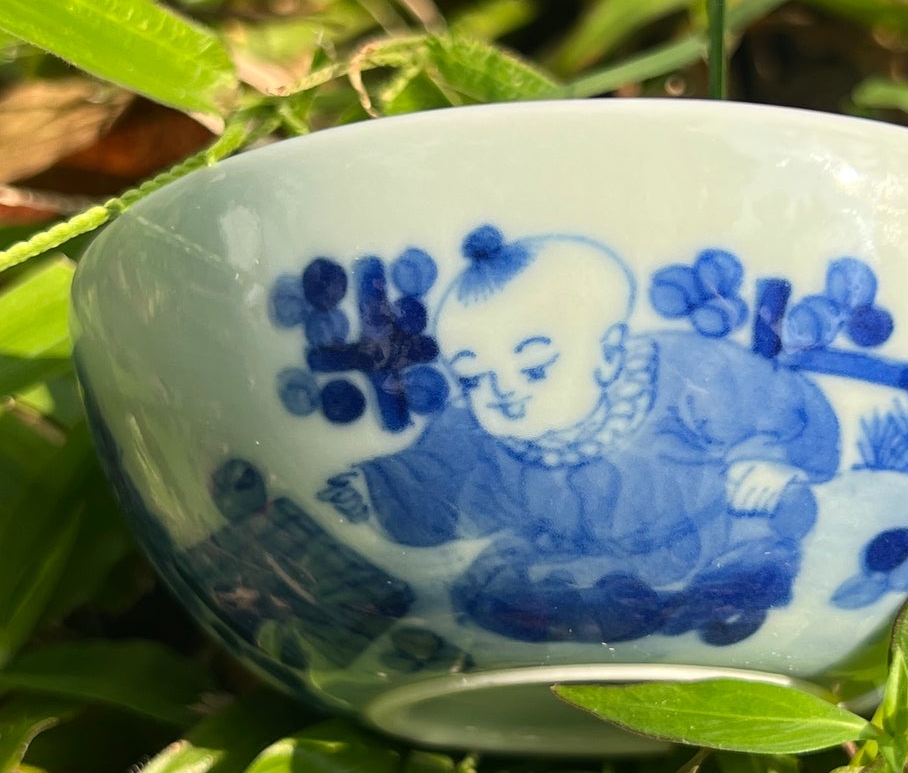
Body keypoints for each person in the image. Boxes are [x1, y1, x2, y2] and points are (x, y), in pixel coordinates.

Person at [320, 225, 841, 648]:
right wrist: (376, 488)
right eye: (475, 377)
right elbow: (438, 476)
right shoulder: (481, 435)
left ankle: (722, 601)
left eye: (536, 368)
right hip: (582, 560)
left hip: (707, 530)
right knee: (500, 589)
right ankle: (601, 620)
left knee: (759, 545)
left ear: (610, 352)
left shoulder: (688, 374)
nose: (505, 393)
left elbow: (776, 404)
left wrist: (769, 463)